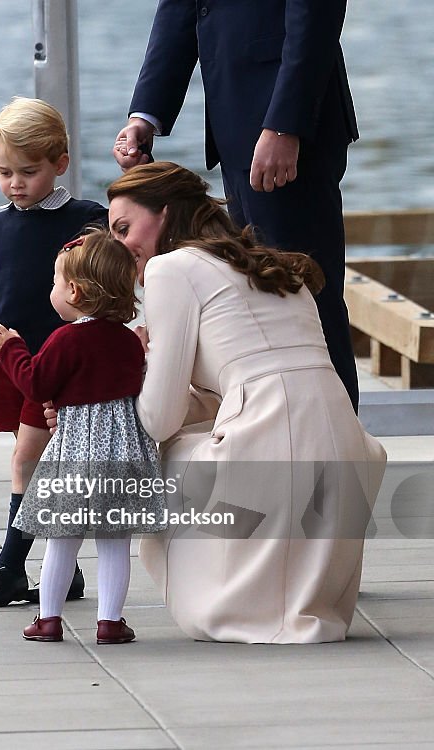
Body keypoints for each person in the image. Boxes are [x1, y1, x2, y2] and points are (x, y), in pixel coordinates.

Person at [105, 162, 386, 643]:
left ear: (167, 214)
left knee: (162, 458)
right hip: (344, 454)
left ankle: (236, 598)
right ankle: (292, 592)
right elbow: (245, 386)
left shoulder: (169, 269)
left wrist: (141, 364)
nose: (121, 246)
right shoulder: (271, 267)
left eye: (126, 228)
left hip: (275, 448)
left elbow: (157, 419)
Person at [111, 0, 360, 411]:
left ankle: (338, 453)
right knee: (260, 291)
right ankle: (281, 434)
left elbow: (316, 14)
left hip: (286, 125)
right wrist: (146, 116)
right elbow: (183, 7)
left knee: (307, 295)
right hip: (235, 126)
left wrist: (284, 124)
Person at [0, 97, 107, 607]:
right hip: (11, 361)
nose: (15, 183)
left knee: (29, 460)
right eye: (4, 172)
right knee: (40, 461)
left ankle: (11, 567)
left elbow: (110, 280)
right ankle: (65, 569)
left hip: (63, 363)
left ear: (60, 163)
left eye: (29, 171)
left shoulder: (87, 219)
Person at [0, 228, 165, 645]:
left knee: (63, 540)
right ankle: (109, 622)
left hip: (76, 451)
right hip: (121, 451)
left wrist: (12, 348)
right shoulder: (126, 341)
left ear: (76, 291)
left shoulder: (65, 339)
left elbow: (36, 384)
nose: (52, 291)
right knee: (114, 542)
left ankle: (49, 619)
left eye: (55, 283)